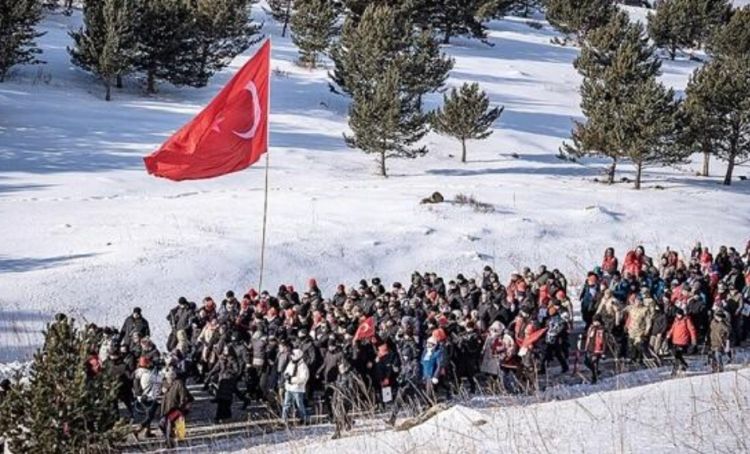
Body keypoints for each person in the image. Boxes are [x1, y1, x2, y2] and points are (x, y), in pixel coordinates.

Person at [160, 369, 194, 448]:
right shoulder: (165, 384)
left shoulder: (179, 383)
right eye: (167, 378)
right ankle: (171, 438)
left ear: (173, 377)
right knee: (161, 424)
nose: (168, 379)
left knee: (169, 424)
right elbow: (162, 393)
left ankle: (169, 445)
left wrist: (182, 407)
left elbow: (184, 396)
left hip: (176, 408)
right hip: (166, 409)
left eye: (169, 378)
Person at [133, 356, 161, 439]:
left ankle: (147, 432)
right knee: (150, 416)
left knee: (148, 414)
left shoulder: (137, 372)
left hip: (140, 397)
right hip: (148, 397)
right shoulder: (147, 374)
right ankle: (137, 430)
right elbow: (158, 382)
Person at [282, 348, 309, 425]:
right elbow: (286, 371)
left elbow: (303, 378)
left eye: (293, 355)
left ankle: (304, 418)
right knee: (286, 404)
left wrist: (292, 380)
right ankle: (284, 419)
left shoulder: (303, 366)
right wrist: (286, 376)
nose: (291, 356)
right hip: (289, 387)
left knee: (299, 404)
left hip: (297, 388)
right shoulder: (291, 363)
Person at [331, 361, 357, 439]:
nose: (340, 369)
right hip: (338, 397)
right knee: (339, 414)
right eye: (339, 368)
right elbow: (338, 385)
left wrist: (343, 392)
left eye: (342, 368)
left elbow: (351, 388)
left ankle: (337, 432)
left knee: (340, 414)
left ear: (346, 368)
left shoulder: (350, 376)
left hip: (346, 398)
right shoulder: (339, 376)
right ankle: (349, 422)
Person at [666, 308, 697, 375]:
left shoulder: (686, 320)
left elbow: (692, 330)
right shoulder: (676, 320)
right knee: (676, 355)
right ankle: (684, 364)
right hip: (675, 341)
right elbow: (673, 328)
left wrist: (693, 339)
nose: (678, 316)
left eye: (679, 314)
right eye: (677, 314)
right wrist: (669, 334)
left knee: (677, 356)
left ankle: (675, 370)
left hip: (683, 341)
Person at [584, 316, 606, 383]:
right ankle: (596, 372)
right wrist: (586, 347)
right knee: (587, 362)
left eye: (596, 321)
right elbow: (588, 338)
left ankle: (594, 378)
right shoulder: (591, 328)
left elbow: (604, 341)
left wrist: (603, 352)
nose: (595, 323)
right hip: (590, 348)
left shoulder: (602, 330)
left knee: (594, 363)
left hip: (597, 349)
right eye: (594, 321)